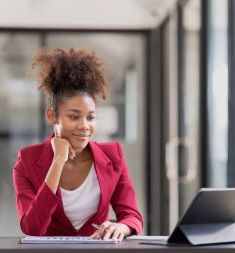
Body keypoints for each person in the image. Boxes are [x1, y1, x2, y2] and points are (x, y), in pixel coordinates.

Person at [12, 48, 143, 241]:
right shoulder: (27, 162)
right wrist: (57, 162)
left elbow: (132, 216)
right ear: (52, 116)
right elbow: (33, 228)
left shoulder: (113, 156)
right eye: (74, 116)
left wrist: (120, 228)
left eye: (90, 117)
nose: (84, 126)